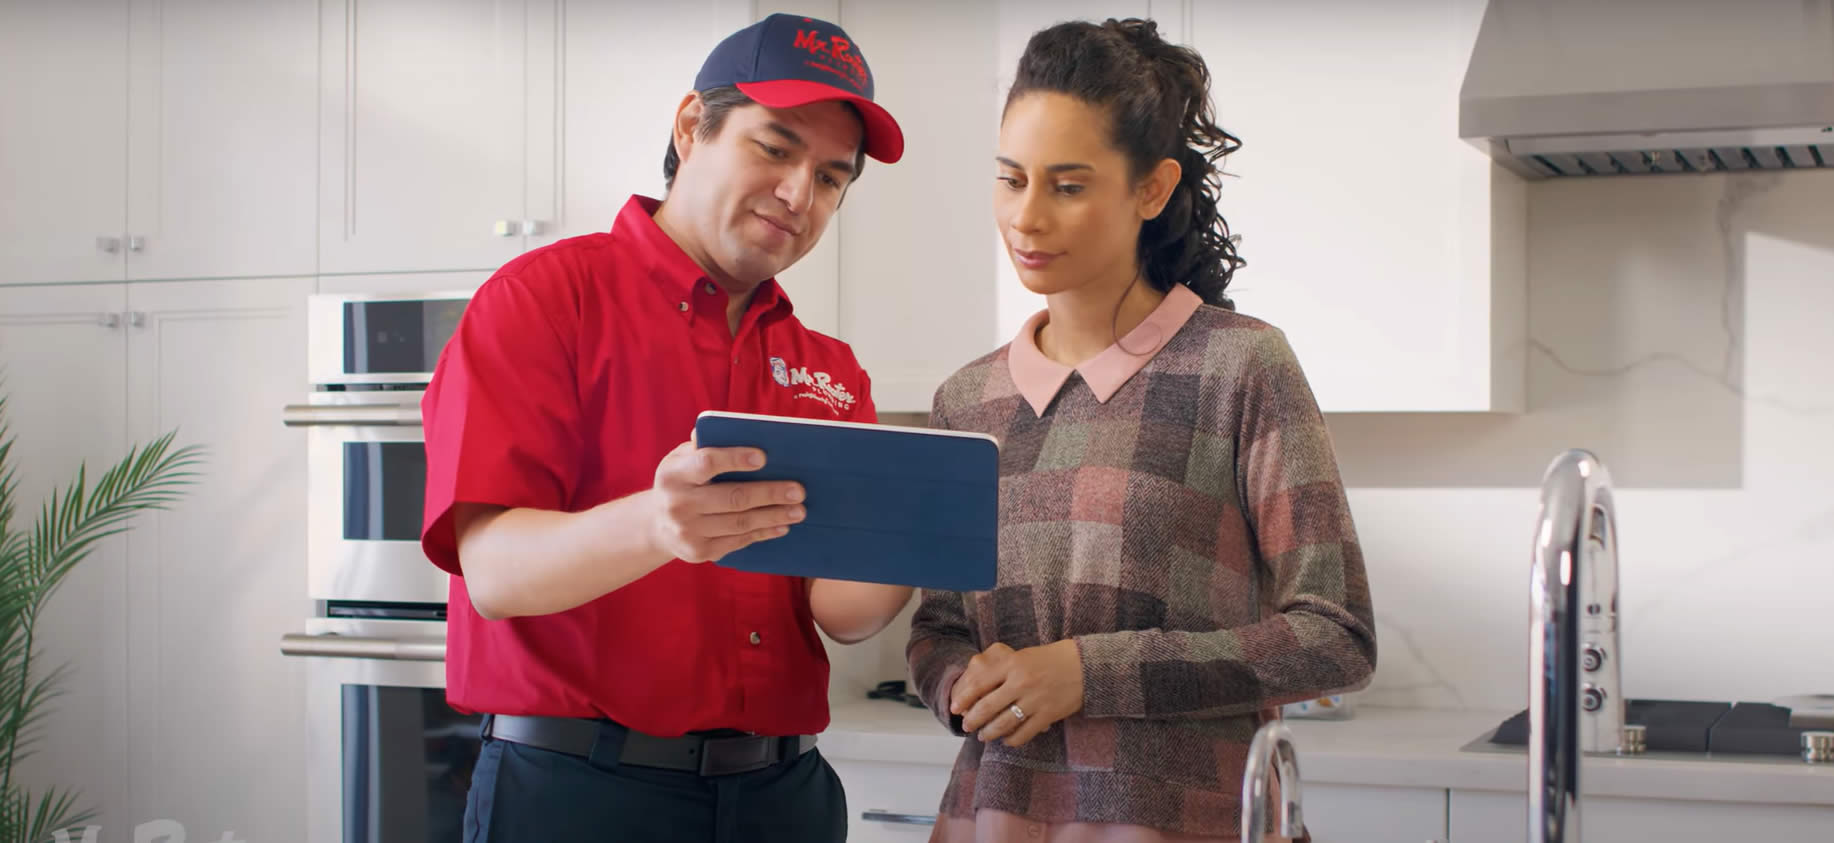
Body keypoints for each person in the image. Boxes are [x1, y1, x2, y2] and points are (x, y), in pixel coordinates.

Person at [418, 13, 916, 842]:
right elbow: (495, 571)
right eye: (776, 147)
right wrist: (657, 523)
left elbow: (846, 612)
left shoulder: (829, 368)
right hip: (578, 795)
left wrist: (925, 532)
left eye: (832, 177)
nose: (801, 194)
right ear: (692, 126)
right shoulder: (543, 300)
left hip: (784, 797)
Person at [905, 17, 1377, 842]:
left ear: (1151, 190)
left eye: (1069, 185)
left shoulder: (1240, 367)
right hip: (996, 816)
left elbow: (1334, 633)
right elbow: (939, 629)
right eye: (1011, 179)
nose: (1027, 217)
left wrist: (1090, 673)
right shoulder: (966, 399)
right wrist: (956, 682)